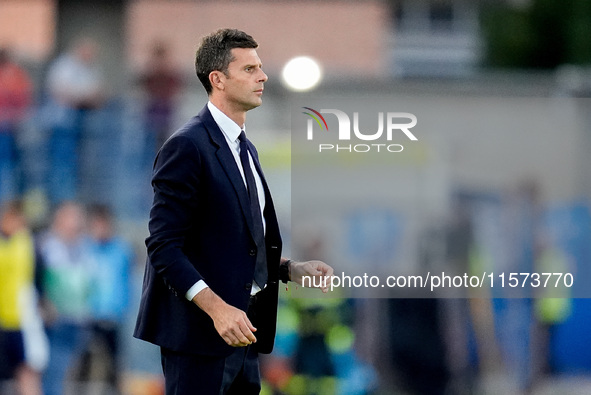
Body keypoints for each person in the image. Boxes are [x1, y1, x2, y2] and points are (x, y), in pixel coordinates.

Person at [134, 28, 333, 394]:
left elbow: (234, 244)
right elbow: (163, 247)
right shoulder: (186, 147)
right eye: (249, 69)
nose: (263, 76)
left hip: (244, 340)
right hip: (200, 341)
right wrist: (217, 309)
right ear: (218, 79)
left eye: (260, 67)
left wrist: (288, 269)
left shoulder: (245, 149)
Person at [39, 201, 93, 395]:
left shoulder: (83, 247)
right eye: (71, 217)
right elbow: (39, 281)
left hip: (77, 321)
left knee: (68, 374)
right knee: (54, 372)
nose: (76, 223)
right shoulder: (47, 246)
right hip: (56, 321)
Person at [44, 38, 104, 204]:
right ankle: (60, 201)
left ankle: (73, 201)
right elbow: (62, 92)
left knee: (79, 165)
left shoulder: (90, 69)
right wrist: (83, 96)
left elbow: (98, 94)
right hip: (62, 124)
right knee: (61, 165)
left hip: (81, 124)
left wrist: (83, 96)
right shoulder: (64, 66)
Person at [83, 203, 132, 393]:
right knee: (86, 365)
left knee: (116, 364)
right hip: (89, 317)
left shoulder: (121, 250)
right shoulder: (85, 249)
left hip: (113, 317)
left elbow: (124, 283)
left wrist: (120, 309)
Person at [0, 201, 48, 395]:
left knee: (28, 372)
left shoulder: (30, 244)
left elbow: (40, 280)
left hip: (23, 320)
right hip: (5, 319)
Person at [0, 48, 33, 202]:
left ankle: (8, 202)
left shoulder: (15, 73)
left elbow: (23, 97)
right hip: (6, 129)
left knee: (11, 169)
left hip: (12, 130)